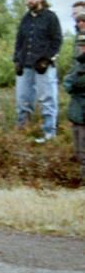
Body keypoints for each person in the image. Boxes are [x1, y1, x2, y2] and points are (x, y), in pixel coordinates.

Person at [13, 0, 63, 142]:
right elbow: (19, 42)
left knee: (47, 99)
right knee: (23, 100)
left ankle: (49, 133)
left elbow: (57, 41)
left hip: (43, 67)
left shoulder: (50, 17)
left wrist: (46, 59)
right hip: (25, 65)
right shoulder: (25, 19)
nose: (29, 1)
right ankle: (23, 132)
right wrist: (17, 60)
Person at [62, 13, 85, 181]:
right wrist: (73, 84)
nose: (82, 48)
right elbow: (68, 82)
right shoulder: (77, 63)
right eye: (81, 45)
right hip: (77, 111)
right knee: (79, 150)